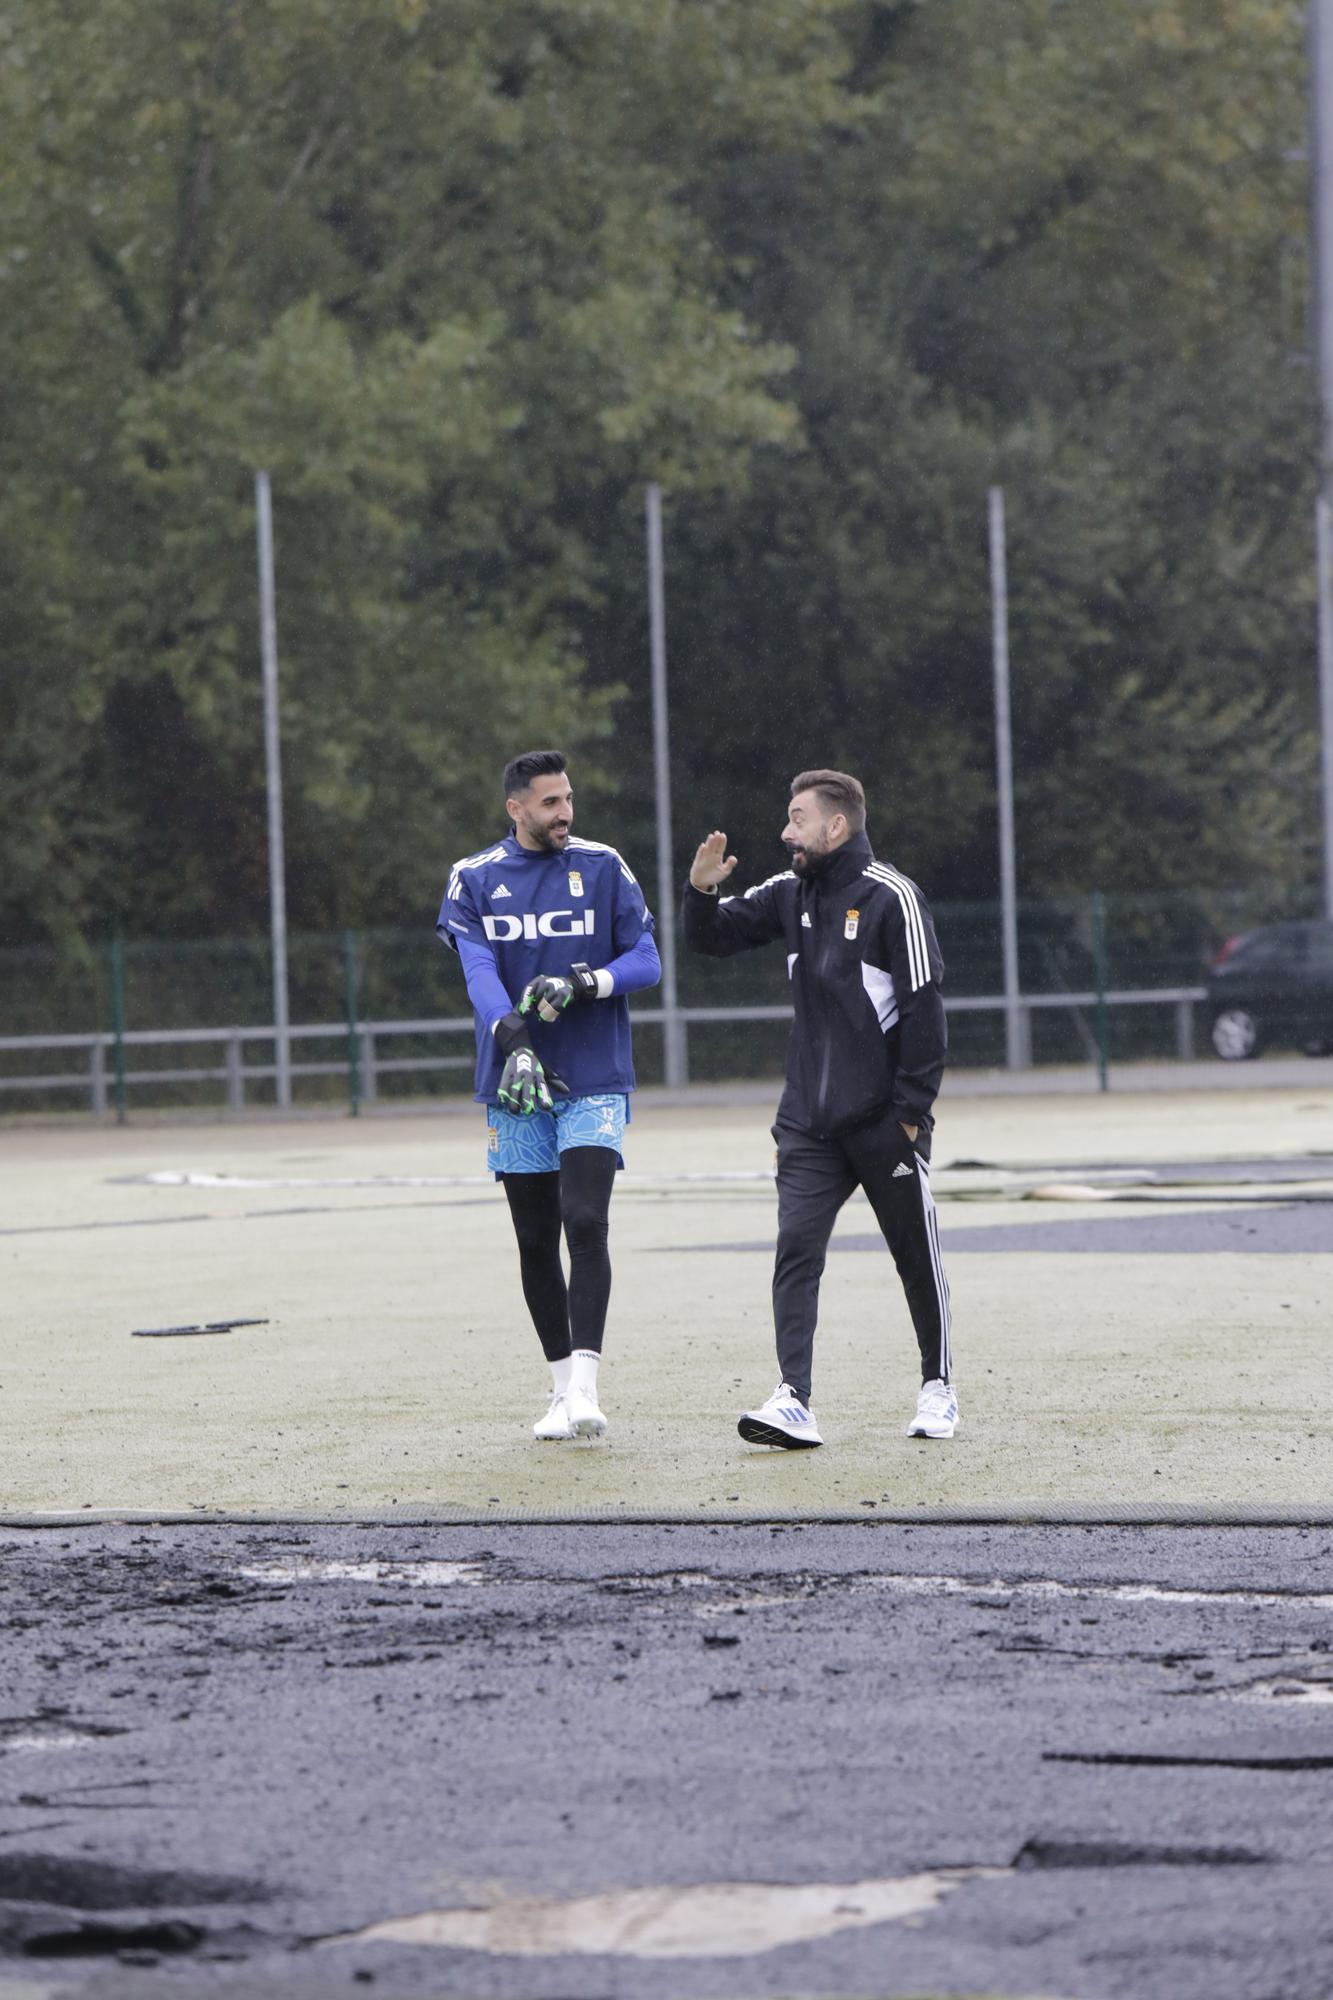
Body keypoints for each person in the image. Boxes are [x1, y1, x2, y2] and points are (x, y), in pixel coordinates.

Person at [681, 768, 956, 1447]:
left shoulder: (893, 896)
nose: (785, 832)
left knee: (913, 1256)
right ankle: (792, 1400)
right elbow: (710, 936)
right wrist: (699, 889)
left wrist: (909, 1113)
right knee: (795, 1252)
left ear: (836, 826)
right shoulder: (788, 892)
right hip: (806, 1125)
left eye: (796, 818)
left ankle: (937, 1388)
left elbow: (925, 1011)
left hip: (882, 1125)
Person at [437, 750, 660, 1441]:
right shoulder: (472, 878)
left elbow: (646, 961)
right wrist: (514, 1042)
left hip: (593, 1076)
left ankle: (588, 1389)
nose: (564, 813)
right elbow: (476, 969)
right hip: (514, 1084)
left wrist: (584, 983)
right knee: (534, 1239)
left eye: (567, 799)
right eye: (549, 803)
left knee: (584, 1222)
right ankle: (561, 1389)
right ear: (515, 809)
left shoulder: (602, 865)